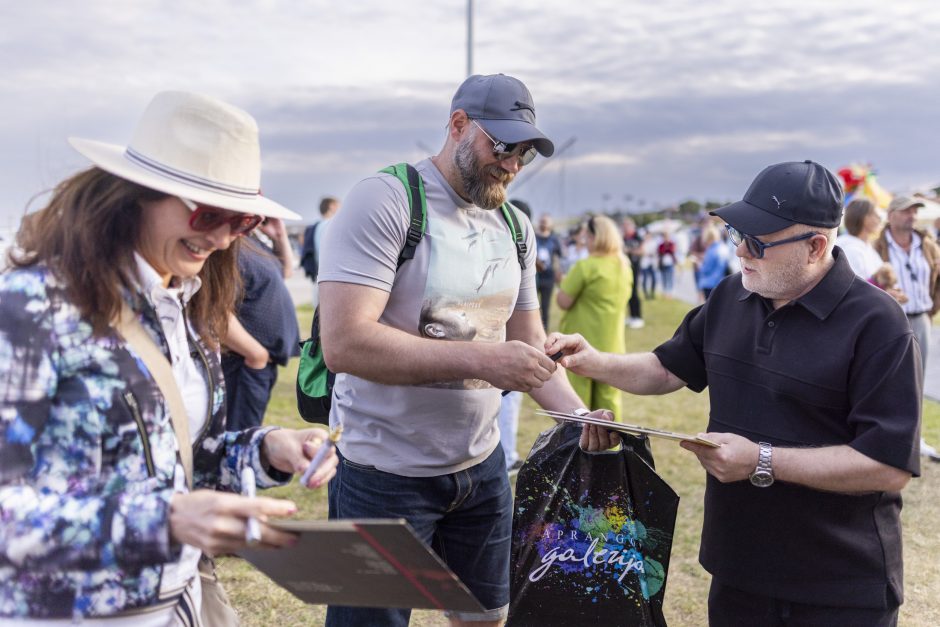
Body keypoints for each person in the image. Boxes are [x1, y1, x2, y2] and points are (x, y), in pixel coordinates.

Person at [0, 91, 338, 623]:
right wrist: (165, 521)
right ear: (133, 196)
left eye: (244, 221)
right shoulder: (30, 307)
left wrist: (267, 449)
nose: (226, 239)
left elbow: (185, 458)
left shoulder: (182, 302)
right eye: (212, 213)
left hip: (174, 605)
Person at [547, 160, 921, 625]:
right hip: (738, 570)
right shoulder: (730, 296)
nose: (741, 250)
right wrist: (593, 360)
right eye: (737, 234)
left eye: (758, 242)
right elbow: (666, 369)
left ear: (816, 246)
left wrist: (762, 461)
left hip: (839, 583)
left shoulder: (879, 325)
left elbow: (887, 466)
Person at [317, 73, 614, 627]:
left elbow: (528, 345)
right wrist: (483, 358)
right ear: (457, 125)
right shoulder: (386, 199)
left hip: (481, 467)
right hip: (383, 471)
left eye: (525, 151)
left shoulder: (515, 225)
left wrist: (578, 418)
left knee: (484, 619)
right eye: (502, 146)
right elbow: (345, 343)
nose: (513, 164)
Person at [873, 196, 940, 462]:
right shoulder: (878, 246)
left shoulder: (927, 245)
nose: (912, 216)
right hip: (890, 319)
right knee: (888, 378)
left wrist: (933, 307)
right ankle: (886, 437)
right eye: (906, 211)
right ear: (891, 215)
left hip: (922, 316)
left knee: (918, 379)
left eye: (914, 211)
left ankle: (916, 440)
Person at [221, 216, 301, 430]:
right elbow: (216, 312)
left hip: (258, 363)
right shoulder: (228, 246)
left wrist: (279, 237)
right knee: (239, 435)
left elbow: (285, 271)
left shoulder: (249, 240)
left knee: (249, 432)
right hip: (243, 362)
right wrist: (256, 355)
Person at [556, 215, 631, 420]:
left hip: (580, 347)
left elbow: (563, 301)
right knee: (610, 408)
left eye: (585, 237)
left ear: (593, 237)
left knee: (577, 408)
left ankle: (579, 451)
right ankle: (612, 450)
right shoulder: (624, 267)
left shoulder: (585, 266)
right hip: (613, 346)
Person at [300, 196, 340, 307]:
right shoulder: (333, 225)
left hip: (317, 278)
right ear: (332, 207)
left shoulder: (315, 227)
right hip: (331, 280)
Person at [835, 197, 884, 279]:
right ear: (864, 218)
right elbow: (858, 287)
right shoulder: (851, 250)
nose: (879, 218)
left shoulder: (865, 246)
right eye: (875, 214)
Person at [534, 212, 563, 330]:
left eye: (546, 222)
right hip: (535, 277)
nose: (544, 224)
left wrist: (558, 272)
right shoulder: (534, 237)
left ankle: (544, 331)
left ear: (550, 224)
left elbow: (559, 257)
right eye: (542, 222)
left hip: (548, 277)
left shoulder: (554, 240)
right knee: (533, 306)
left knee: (545, 306)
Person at [622, 217, 644, 327]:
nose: (624, 228)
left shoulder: (637, 236)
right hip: (626, 268)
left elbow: (641, 250)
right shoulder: (623, 238)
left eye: (626, 225)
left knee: (635, 292)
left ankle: (638, 317)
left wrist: (629, 251)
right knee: (628, 292)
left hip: (635, 267)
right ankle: (631, 316)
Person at [696, 224, 729, 299]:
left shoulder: (711, 250)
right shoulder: (723, 247)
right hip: (720, 282)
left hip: (709, 284)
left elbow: (705, 269)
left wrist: (699, 264)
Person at [657, 230, 677, 298]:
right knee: (664, 277)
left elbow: (672, 251)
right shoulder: (661, 245)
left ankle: (670, 292)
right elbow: (660, 252)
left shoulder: (671, 244)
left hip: (670, 263)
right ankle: (665, 292)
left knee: (670, 277)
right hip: (663, 263)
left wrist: (667, 249)